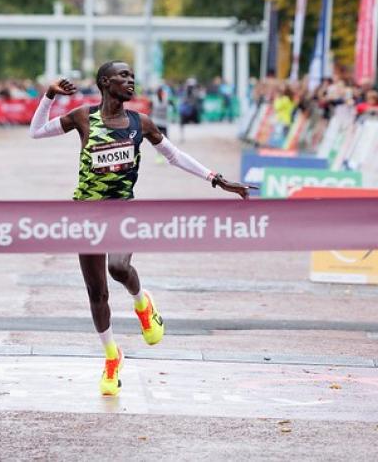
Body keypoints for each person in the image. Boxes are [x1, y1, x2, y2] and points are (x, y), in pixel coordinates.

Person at [29, 61, 250, 397]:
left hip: (122, 212)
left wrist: (216, 180)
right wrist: (48, 95)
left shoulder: (140, 124)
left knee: (118, 267)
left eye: (132, 77)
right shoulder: (82, 117)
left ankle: (141, 302)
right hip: (85, 215)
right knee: (97, 293)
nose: (131, 81)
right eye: (123, 77)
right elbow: (35, 131)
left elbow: (175, 156)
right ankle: (111, 356)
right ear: (106, 83)